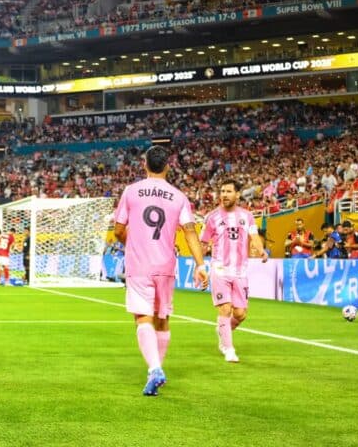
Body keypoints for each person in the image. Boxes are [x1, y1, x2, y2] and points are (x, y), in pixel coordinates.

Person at [113, 145, 207, 396]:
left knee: (143, 317)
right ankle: (156, 369)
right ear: (167, 166)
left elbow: (119, 230)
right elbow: (190, 232)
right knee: (162, 319)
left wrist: (131, 244)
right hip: (166, 264)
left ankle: (155, 369)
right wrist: (200, 265)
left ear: (144, 164)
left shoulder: (131, 192)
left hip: (139, 265)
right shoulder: (179, 197)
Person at [201, 179, 264, 364]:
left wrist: (261, 251)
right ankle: (228, 349)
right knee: (225, 308)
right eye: (222, 191)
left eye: (228, 191)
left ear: (237, 194)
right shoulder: (212, 217)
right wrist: (200, 266)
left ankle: (223, 330)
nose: (224, 195)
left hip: (240, 271)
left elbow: (254, 237)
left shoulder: (247, 216)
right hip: (219, 269)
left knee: (240, 314)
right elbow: (203, 244)